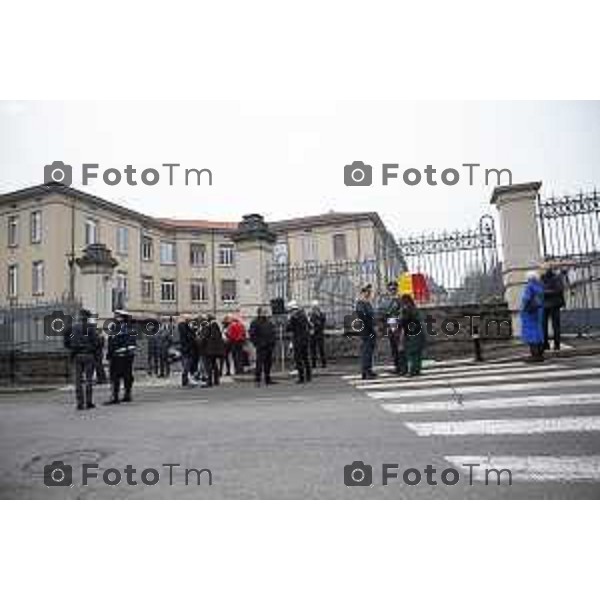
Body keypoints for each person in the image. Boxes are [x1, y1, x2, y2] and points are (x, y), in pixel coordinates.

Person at [63, 308, 99, 410]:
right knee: (88, 380)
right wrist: (93, 349)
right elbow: (96, 342)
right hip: (88, 355)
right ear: (87, 317)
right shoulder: (91, 328)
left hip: (76, 355)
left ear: (79, 316)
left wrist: (70, 347)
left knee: (78, 381)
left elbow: (65, 339)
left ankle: (80, 403)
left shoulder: (72, 327)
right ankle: (88, 402)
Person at [106, 309, 137, 404]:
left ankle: (115, 396)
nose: (115, 317)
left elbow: (112, 342)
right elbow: (133, 343)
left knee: (115, 376)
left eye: (117, 316)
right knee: (127, 376)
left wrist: (109, 354)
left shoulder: (115, 327)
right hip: (129, 356)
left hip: (117, 356)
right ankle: (127, 395)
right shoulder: (131, 328)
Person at [381, 280, 406, 375]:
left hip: (399, 326)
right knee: (394, 348)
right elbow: (382, 312)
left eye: (394, 289)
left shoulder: (400, 300)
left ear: (397, 289)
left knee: (401, 348)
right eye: (391, 289)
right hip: (390, 326)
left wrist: (398, 319)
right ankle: (397, 367)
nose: (392, 291)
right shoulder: (386, 301)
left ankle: (403, 368)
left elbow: (403, 312)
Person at [520, 270, 545, 362]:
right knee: (539, 332)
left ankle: (534, 355)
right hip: (539, 311)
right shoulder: (539, 286)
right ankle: (540, 354)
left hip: (530, 312)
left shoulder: (529, 286)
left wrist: (523, 309)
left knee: (531, 333)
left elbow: (526, 299)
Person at [249, 307, 277, 386]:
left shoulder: (269, 322)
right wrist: (257, 343)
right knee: (259, 363)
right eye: (264, 312)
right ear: (259, 313)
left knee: (268, 363)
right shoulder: (255, 322)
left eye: (266, 312)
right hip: (261, 346)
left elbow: (272, 332)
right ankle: (257, 380)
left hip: (269, 345)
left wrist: (272, 342)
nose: (265, 313)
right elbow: (252, 334)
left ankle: (268, 379)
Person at [400, 294, 426, 376]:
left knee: (411, 353)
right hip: (419, 332)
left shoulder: (406, 310)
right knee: (418, 353)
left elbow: (403, 321)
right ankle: (417, 370)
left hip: (412, 333)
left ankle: (412, 371)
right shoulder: (415, 309)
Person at [287, 300, 312, 383]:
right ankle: (308, 376)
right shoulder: (304, 316)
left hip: (298, 341)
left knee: (299, 359)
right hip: (305, 340)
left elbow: (289, 328)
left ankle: (301, 377)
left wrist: (289, 320)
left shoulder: (294, 318)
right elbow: (309, 326)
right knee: (306, 358)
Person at [541, 265, 565, 351]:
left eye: (544, 269)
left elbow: (559, 289)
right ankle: (546, 344)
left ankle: (556, 345)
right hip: (546, 305)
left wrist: (544, 292)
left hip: (553, 304)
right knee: (544, 326)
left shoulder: (556, 278)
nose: (542, 270)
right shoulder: (542, 278)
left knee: (555, 326)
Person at [356, 285, 377, 380]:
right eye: (366, 292)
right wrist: (371, 327)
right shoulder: (361, 304)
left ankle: (369, 370)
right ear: (362, 293)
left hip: (370, 330)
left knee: (370, 351)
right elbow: (364, 318)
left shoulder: (367, 303)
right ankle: (365, 371)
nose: (368, 294)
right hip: (366, 330)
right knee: (366, 351)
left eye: (369, 292)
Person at [199, 314, 225, 387]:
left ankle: (209, 381)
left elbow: (204, 338)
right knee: (214, 365)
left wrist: (200, 343)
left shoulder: (209, 326)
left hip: (209, 350)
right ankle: (216, 380)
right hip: (215, 350)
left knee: (208, 366)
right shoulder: (216, 326)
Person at [177, 314, 197, 386]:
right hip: (187, 349)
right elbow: (188, 337)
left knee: (186, 365)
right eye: (190, 320)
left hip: (185, 348)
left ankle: (185, 380)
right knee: (186, 365)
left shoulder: (182, 326)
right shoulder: (184, 327)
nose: (190, 321)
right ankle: (185, 380)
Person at [309, 300, 327, 369]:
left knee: (321, 349)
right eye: (313, 307)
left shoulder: (321, 314)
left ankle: (323, 363)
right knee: (313, 350)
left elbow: (321, 324)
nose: (314, 309)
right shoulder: (311, 315)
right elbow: (310, 323)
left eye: (315, 307)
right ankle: (313, 364)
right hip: (313, 335)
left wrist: (315, 325)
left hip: (319, 334)